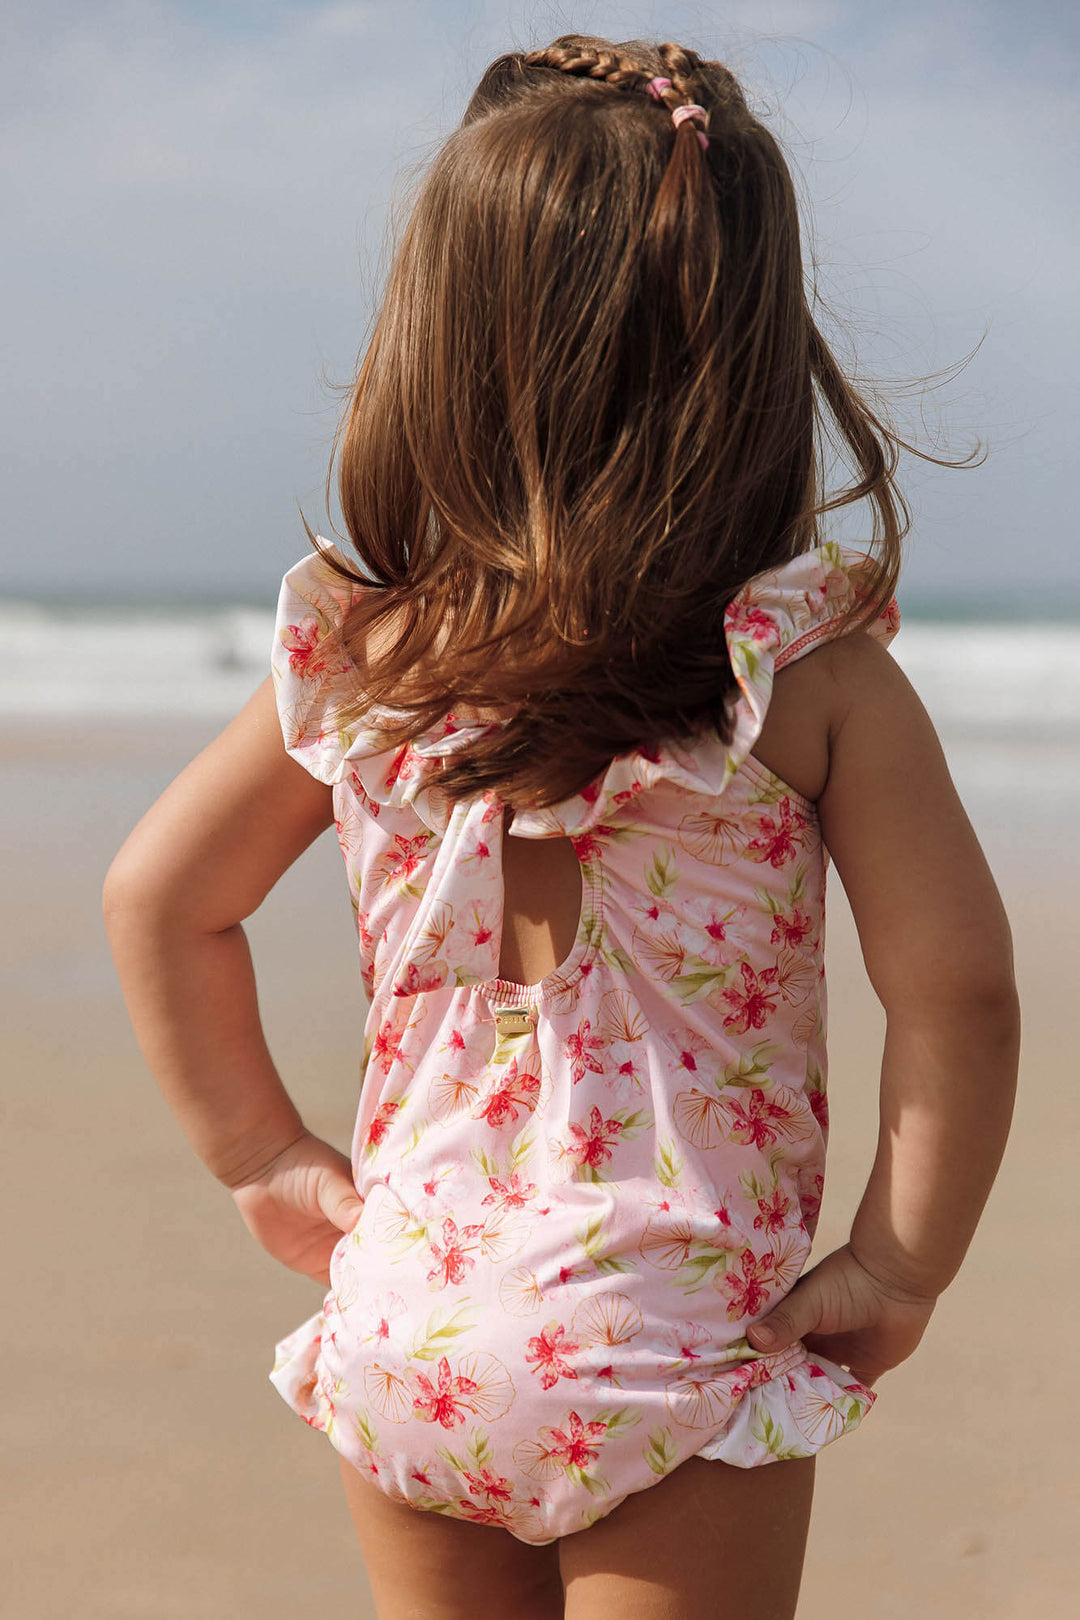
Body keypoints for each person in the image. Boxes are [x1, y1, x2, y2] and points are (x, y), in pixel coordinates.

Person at [103, 33, 1021, 1620]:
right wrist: (898, 1259)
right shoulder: (802, 682)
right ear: (746, 357)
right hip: (672, 1338)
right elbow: (960, 992)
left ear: (442, 344)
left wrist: (260, 1155)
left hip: (416, 1320)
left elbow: (159, 896)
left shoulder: (369, 659)